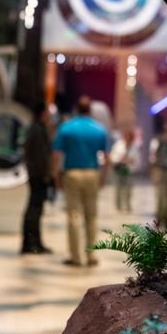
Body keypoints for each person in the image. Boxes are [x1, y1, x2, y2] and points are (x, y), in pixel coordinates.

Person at [51, 96, 111, 267]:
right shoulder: (99, 130)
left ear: (76, 109)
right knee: (91, 216)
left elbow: (56, 155)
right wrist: (103, 177)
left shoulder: (66, 128)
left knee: (73, 216)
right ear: (90, 111)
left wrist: (56, 176)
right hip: (92, 173)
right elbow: (107, 158)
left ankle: (76, 257)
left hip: (72, 174)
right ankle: (92, 255)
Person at [20, 102, 53, 254]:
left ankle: (34, 242)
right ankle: (31, 243)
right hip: (38, 176)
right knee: (34, 211)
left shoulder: (36, 129)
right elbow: (41, 157)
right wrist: (46, 175)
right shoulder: (38, 130)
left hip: (36, 175)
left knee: (35, 210)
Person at [109, 126, 140, 213]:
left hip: (128, 170)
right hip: (118, 169)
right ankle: (118, 206)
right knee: (118, 189)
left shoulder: (134, 147)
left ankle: (127, 204)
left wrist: (130, 161)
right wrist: (120, 159)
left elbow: (137, 160)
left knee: (128, 189)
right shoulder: (118, 145)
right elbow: (112, 156)